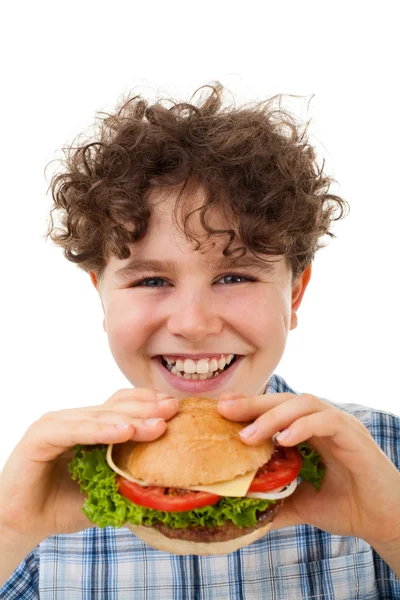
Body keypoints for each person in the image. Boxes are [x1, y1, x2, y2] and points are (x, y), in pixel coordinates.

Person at [1, 82, 399, 600]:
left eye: (235, 277)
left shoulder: (382, 454)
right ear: (102, 298)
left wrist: (393, 530)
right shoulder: (44, 486)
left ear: (295, 294)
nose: (193, 323)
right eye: (150, 281)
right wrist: (10, 533)